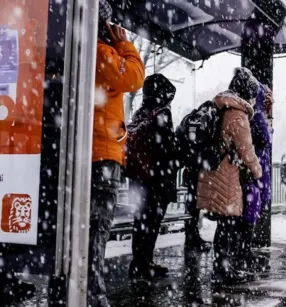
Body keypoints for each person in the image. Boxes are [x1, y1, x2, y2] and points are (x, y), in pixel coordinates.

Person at [89, 0, 144, 305]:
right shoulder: (102, 52)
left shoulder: (85, 52)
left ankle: (83, 290)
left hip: (92, 152)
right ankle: (93, 295)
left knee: (88, 228)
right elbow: (134, 76)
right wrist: (123, 41)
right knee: (97, 230)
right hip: (103, 154)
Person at [196, 67, 262, 284]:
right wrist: (257, 171)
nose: (253, 101)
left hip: (214, 171)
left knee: (225, 224)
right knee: (228, 225)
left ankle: (222, 269)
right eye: (252, 95)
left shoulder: (223, 105)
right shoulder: (237, 113)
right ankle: (223, 271)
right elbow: (246, 149)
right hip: (227, 174)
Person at [126, 74, 179, 280]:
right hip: (156, 178)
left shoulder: (140, 113)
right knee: (152, 222)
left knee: (140, 221)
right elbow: (167, 149)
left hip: (139, 177)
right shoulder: (162, 113)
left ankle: (139, 262)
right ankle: (144, 263)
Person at [237, 83, 273, 273]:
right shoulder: (256, 117)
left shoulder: (251, 115)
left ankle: (242, 251)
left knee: (247, 210)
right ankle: (243, 251)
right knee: (250, 210)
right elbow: (263, 142)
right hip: (254, 170)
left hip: (249, 169)